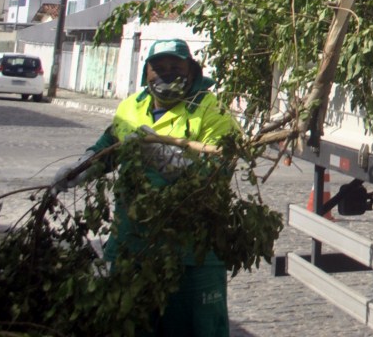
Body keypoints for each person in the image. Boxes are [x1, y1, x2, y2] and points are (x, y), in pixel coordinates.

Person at [54, 38, 241, 336]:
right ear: (146, 74)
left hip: (191, 253)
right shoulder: (131, 106)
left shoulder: (211, 110)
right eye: (159, 68)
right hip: (133, 246)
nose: (166, 75)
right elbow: (108, 146)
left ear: (191, 71)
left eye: (175, 68)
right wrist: (81, 168)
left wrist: (165, 159)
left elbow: (216, 172)